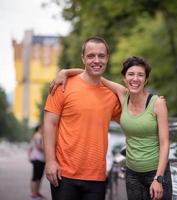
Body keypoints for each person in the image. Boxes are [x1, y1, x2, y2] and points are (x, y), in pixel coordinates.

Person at [50, 56, 172, 200]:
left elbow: (165, 143)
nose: (135, 79)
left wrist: (158, 178)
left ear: (146, 80)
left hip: (155, 173)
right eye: (131, 74)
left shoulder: (157, 103)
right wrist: (66, 72)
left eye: (140, 75)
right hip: (132, 174)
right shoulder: (122, 95)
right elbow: (93, 74)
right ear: (124, 78)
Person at [43, 36, 121, 200]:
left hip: (97, 178)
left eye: (101, 56)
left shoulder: (111, 96)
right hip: (64, 175)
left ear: (107, 58)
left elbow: (131, 116)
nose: (96, 60)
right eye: (91, 56)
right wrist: (50, 161)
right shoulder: (62, 86)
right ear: (83, 58)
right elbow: (49, 124)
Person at [28, 124, 46, 200]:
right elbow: (39, 147)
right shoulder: (38, 136)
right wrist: (48, 148)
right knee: (35, 177)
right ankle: (33, 194)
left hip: (41, 159)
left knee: (39, 177)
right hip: (37, 159)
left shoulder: (39, 135)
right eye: (43, 127)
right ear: (40, 128)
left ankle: (37, 193)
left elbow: (30, 148)